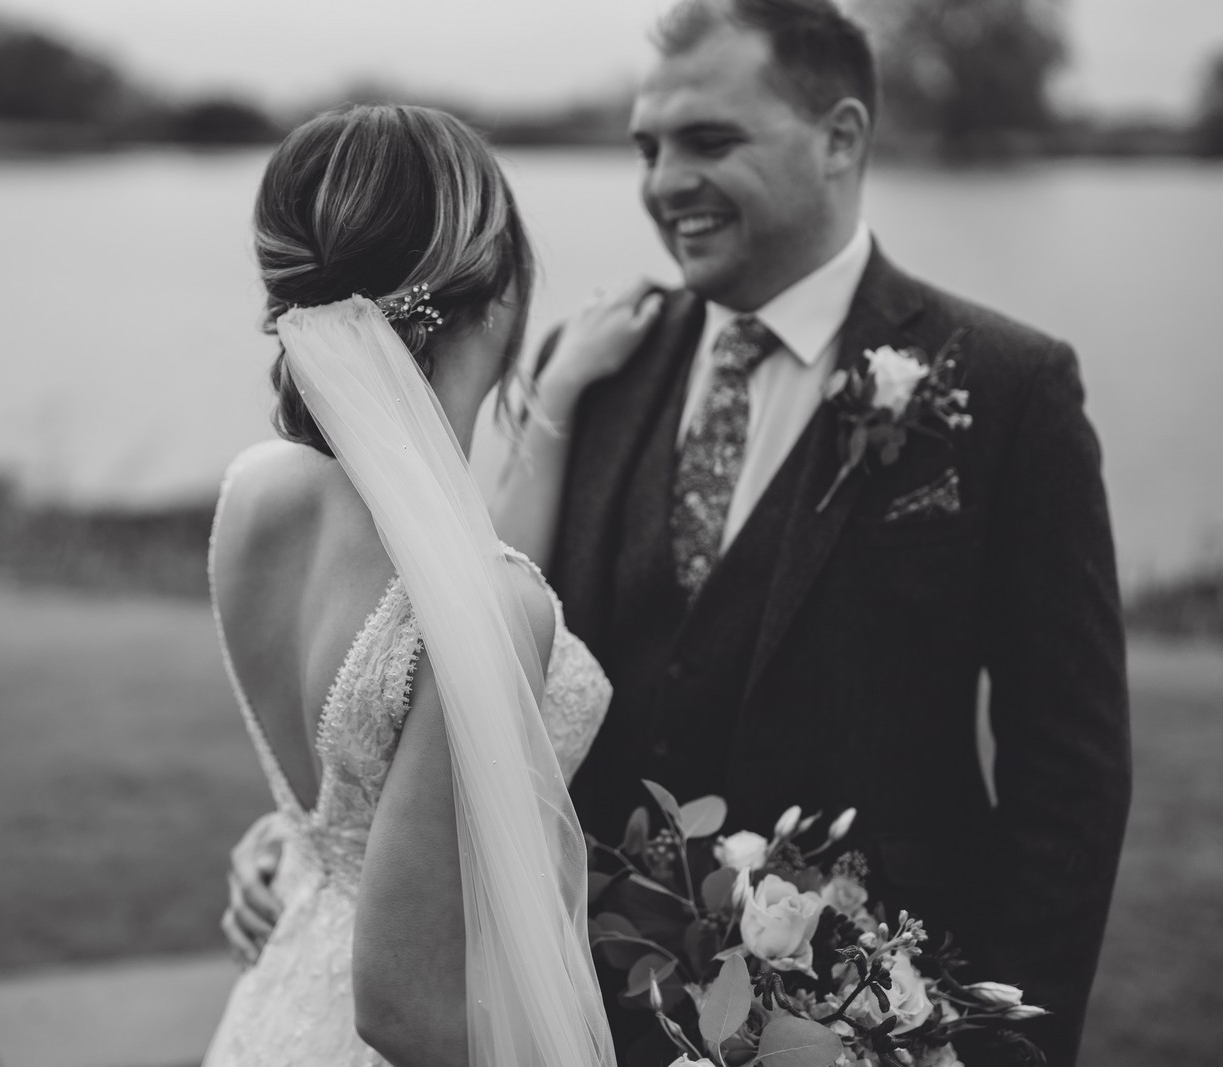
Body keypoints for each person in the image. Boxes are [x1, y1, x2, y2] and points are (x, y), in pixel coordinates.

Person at [226, 2, 1132, 1065]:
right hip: (592, 997)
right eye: (647, 147)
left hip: (872, 1009)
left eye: (710, 140)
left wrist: (1005, 1045)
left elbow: (1066, 774)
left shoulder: (1005, 386)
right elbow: (452, 669)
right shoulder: (602, 365)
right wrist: (320, 842)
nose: (663, 183)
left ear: (840, 137)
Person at [202, 104, 625, 1067]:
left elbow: (344, 788)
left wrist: (553, 404)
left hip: (277, 1006)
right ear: (503, 295)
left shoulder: (257, 497)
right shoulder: (484, 608)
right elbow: (403, 1010)